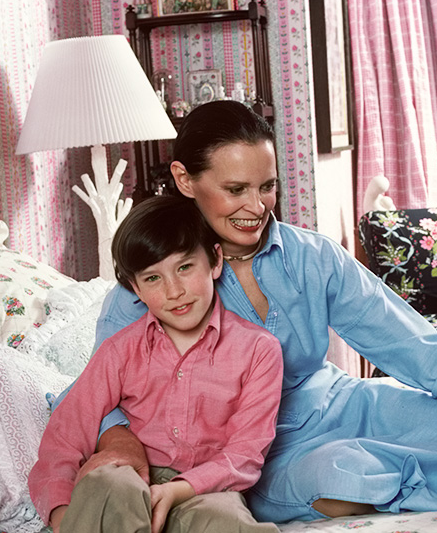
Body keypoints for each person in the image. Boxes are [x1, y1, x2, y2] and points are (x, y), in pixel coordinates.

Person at [51, 100, 437, 523]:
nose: (256, 207)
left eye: (267, 186)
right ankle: (430, 480)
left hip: (335, 405)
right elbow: (98, 391)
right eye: (235, 189)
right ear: (185, 179)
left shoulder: (313, 256)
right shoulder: (150, 287)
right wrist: (118, 438)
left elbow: (414, 346)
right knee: (342, 471)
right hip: (256, 450)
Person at [30, 196, 283, 533]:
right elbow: (65, 435)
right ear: (135, 288)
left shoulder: (258, 350)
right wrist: (64, 515)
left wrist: (177, 489)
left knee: (226, 523)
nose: (174, 291)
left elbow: (244, 454)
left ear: (215, 261)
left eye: (184, 268)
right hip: (132, 479)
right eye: (152, 279)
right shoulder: (119, 351)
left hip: (203, 488)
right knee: (106, 483)